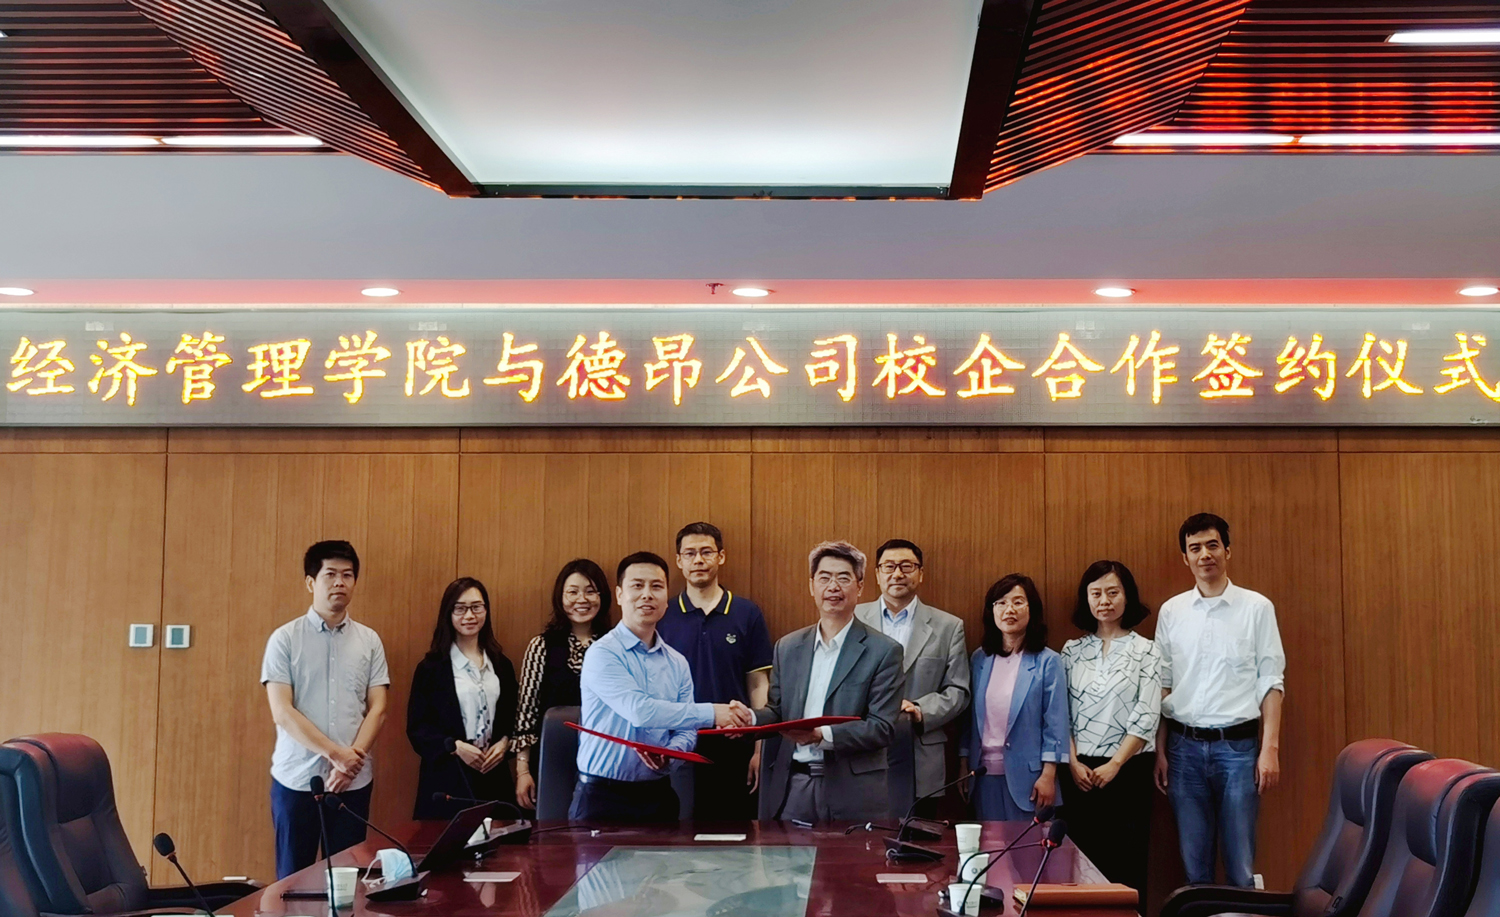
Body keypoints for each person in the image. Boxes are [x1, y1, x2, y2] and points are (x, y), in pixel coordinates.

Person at [571, 551, 753, 823]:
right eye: (637, 586)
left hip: (658, 795)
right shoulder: (602, 653)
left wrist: (671, 754)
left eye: (656, 586)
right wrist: (714, 713)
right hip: (602, 798)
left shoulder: (677, 662)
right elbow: (640, 711)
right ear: (619, 595)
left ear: (666, 599)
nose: (647, 595)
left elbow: (686, 730)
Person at [1154, 513, 1285, 887]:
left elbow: (1271, 682)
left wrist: (1269, 749)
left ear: (1227, 550)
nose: (1205, 555)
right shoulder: (1172, 611)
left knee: (1241, 864)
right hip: (1183, 750)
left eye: (1212, 545)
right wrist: (1159, 751)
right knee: (1194, 866)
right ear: (1185, 558)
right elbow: (1162, 685)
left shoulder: (1257, 608)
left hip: (1239, 750)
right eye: (1195, 548)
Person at [261, 540, 390, 879]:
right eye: (330, 574)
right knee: (294, 883)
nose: (339, 583)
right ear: (310, 582)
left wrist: (351, 762)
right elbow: (282, 711)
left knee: (349, 881)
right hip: (296, 780)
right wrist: (337, 755)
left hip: (353, 782)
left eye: (347, 575)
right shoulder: (284, 639)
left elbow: (378, 709)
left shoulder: (369, 641)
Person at [754, 540, 904, 824]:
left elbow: (882, 727)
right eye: (824, 578)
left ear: (860, 587)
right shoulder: (788, 647)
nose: (833, 587)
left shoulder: (884, 651)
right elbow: (777, 712)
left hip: (854, 792)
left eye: (843, 578)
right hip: (794, 786)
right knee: (788, 854)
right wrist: (748, 719)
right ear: (812, 586)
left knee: (849, 856)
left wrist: (822, 734)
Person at [656, 521, 774, 821]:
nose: (698, 560)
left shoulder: (747, 613)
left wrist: (759, 750)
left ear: (721, 557)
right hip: (679, 747)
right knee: (679, 837)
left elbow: (758, 685)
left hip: (735, 748)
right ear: (679, 561)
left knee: (735, 838)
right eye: (690, 553)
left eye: (706, 552)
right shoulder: (664, 615)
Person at [1059, 560, 1160, 902]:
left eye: (1113, 592)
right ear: (1086, 598)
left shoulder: (1147, 650)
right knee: (1079, 864)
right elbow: (1061, 713)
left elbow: (1147, 714)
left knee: (1125, 863)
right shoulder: (1071, 651)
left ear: (1127, 597)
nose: (1104, 601)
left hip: (1128, 769)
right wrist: (1072, 761)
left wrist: (1116, 764)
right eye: (1096, 593)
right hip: (1079, 773)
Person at [854, 538, 969, 816]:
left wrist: (919, 710)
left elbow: (958, 690)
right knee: (861, 838)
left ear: (920, 573)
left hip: (921, 755)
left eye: (906, 566)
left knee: (918, 836)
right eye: (889, 566)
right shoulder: (853, 618)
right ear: (877, 574)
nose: (897, 573)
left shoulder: (948, 626)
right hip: (863, 751)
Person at [407, 577, 519, 820]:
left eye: (476, 607)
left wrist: (505, 743)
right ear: (448, 614)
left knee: (500, 841)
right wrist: (455, 747)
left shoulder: (501, 665)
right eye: (460, 608)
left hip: (493, 775)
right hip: (449, 778)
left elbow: (513, 716)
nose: (469, 615)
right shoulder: (431, 668)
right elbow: (417, 729)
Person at [959, 573, 1068, 821]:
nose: (1009, 609)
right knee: (989, 844)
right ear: (992, 611)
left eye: (1018, 602)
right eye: (1001, 603)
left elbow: (1055, 723)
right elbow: (968, 719)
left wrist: (1048, 775)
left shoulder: (1048, 661)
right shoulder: (979, 659)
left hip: (1031, 780)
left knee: (1029, 846)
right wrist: (964, 761)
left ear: (1032, 610)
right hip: (982, 776)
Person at [511, 558, 612, 811]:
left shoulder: (614, 647)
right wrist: (523, 770)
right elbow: (526, 712)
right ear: (560, 597)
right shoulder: (541, 646)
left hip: (604, 762)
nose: (582, 600)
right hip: (551, 761)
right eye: (573, 592)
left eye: (590, 591)